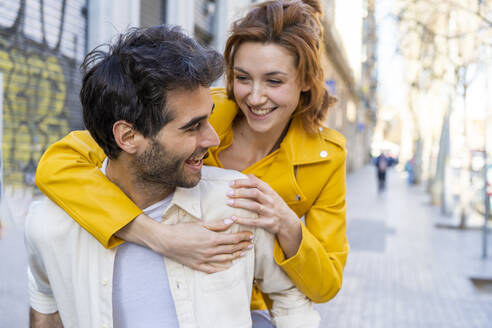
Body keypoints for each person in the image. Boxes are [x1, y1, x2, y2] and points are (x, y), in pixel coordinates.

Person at [35, 0, 349, 325]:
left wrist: (287, 225)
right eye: (242, 77)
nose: (255, 97)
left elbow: (324, 286)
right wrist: (157, 235)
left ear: (306, 81)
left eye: (274, 81)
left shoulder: (326, 157)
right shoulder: (197, 111)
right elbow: (58, 164)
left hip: (247, 307)